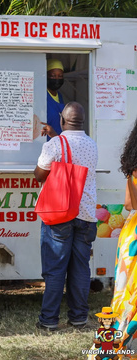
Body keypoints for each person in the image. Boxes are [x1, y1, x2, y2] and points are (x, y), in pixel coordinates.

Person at [34, 101, 98, 331]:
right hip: (87, 215)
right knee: (81, 268)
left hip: (59, 214)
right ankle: (79, 317)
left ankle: (49, 320)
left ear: (62, 120)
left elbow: (40, 175)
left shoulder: (54, 144)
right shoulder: (92, 145)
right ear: (82, 121)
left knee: (55, 269)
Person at [110, 119, 137, 349]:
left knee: (125, 295)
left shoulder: (133, 169)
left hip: (132, 235)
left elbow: (129, 204)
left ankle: (111, 347)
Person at [41, 58, 66, 141]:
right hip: (44, 141)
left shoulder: (60, 96)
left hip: (58, 141)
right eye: (53, 76)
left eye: (60, 76)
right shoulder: (41, 94)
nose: (57, 79)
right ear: (46, 75)